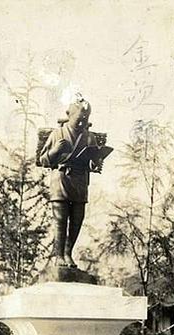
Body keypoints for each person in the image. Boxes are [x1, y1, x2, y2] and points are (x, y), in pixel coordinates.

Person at [40, 99, 102, 267]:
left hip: (80, 181)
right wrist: (56, 150)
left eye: (85, 118)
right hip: (61, 179)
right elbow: (43, 160)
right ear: (69, 115)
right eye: (78, 118)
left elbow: (93, 160)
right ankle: (58, 255)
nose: (81, 122)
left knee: (77, 219)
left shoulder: (89, 137)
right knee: (60, 219)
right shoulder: (57, 134)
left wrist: (94, 163)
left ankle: (68, 253)